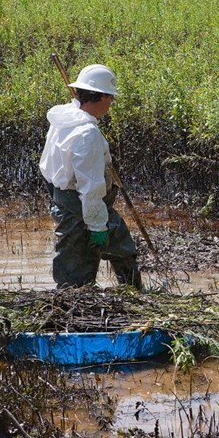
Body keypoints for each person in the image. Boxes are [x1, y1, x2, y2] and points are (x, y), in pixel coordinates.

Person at [39, 64, 143, 289]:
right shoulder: (87, 134)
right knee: (95, 258)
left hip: (63, 202)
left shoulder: (64, 118)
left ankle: (130, 296)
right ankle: (134, 296)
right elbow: (90, 189)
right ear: (102, 96)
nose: (111, 103)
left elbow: (46, 168)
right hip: (81, 205)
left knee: (78, 261)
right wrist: (97, 227)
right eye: (111, 98)